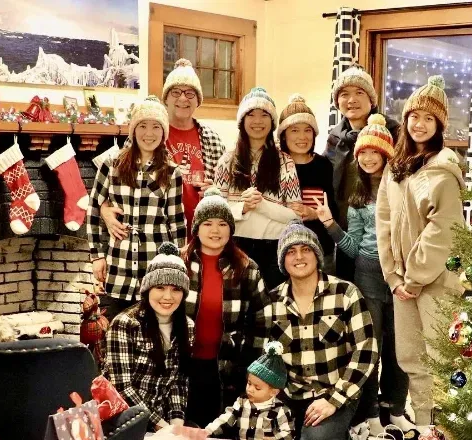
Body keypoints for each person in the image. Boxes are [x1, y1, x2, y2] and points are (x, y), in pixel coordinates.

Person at [377, 75, 465, 435]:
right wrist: (393, 276)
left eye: (429, 119)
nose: (420, 124)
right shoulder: (396, 167)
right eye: (414, 116)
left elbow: (443, 230)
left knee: (440, 356)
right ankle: (427, 431)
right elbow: (384, 220)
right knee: (411, 358)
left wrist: (413, 277)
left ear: (439, 125)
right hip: (402, 283)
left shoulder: (444, 170)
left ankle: (448, 435)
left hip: (435, 280)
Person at [315, 114, 408, 439]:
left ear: (386, 154)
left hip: (401, 274)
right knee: (371, 347)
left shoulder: (401, 189)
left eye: (375, 152)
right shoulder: (357, 197)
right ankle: (370, 414)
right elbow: (353, 247)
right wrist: (330, 224)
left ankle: (396, 409)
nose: (368, 159)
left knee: (400, 346)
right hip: (367, 273)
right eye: (363, 153)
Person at [265, 221, 378, 440]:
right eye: (291, 251)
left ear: (317, 256)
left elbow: (366, 351)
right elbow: (266, 357)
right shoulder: (272, 301)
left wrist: (334, 401)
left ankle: (351, 430)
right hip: (292, 394)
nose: (299, 257)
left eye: (306, 249)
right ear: (283, 261)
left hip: (335, 392)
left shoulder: (346, 293)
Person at [99, 58, 226, 243]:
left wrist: (215, 191)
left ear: (198, 100)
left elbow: (227, 192)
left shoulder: (212, 140)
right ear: (166, 98)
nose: (183, 98)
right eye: (176, 92)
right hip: (157, 238)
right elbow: (114, 181)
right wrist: (104, 210)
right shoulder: (147, 135)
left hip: (204, 238)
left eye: (190, 93)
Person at [87, 96, 186, 316]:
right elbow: (94, 209)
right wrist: (97, 256)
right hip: (118, 266)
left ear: (163, 132)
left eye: (155, 127)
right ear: (133, 130)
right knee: (115, 328)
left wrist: (178, 263)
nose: (149, 133)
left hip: (155, 268)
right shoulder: (111, 164)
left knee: (153, 331)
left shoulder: (171, 171)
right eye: (142, 126)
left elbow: (177, 222)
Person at [182, 187, 270, 428]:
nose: (215, 230)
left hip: (228, 369)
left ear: (231, 229)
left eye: (222, 224)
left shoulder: (247, 268)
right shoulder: (180, 263)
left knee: (218, 433)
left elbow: (262, 322)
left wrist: (249, 369)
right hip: (183, 366)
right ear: (196, 228)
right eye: (208, 223)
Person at [214, 87, 303, 289]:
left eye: (264, 115)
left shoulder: (285, 162)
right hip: (235, 245)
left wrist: (262, 205)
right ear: (242, 121)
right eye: (251, 114)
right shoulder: (227, 160)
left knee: (272, 302)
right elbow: (215, 210)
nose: (257, 121)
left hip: (275, 247)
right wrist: (242, 207)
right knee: (237, 302)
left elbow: (295, 215)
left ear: (272, 122)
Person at [104, 242, 194, 430]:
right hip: (123, 422)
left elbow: (179, 381)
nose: (168, 296)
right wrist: (160, 426)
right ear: (147, 289)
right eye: (160, 287)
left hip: (162, 421)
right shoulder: (125, 324)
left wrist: (176, 424)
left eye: (176, 289)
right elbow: (122, 387)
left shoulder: (187, 326)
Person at [324, 65, 399, 281]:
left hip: (382, 236)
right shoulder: (335, 138)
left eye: (359, 92)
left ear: (371, 100)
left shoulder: (392, 132)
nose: (351, 100)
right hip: (346, 231)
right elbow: (325, 178)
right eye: (344, 94)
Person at [205, 341, 294, 440]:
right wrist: (207, 431)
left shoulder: (280, 410)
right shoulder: (242, 402)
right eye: (249, 383)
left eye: (257, 388)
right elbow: (226, 418)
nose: (250, 389)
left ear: (273, 392)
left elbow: (289, 433)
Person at [277, 94, 337, 274]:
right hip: (285, 252)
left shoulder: (324, 165)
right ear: (283, 135)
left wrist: (314, 214)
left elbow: (333, 208)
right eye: (294, 130)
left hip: (322, 250)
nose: (302, 137)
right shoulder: (275, 165)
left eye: (308, 130)